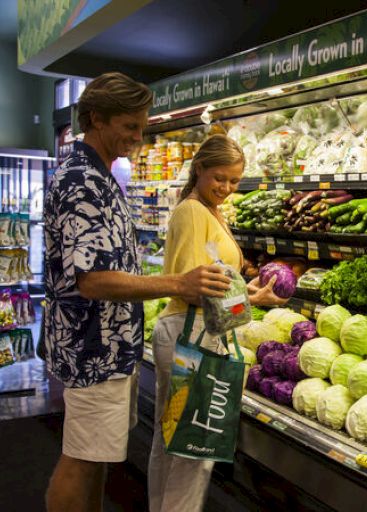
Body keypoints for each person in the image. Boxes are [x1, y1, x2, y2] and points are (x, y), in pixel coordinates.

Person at [42, 72, 233, 512]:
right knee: (80, 460)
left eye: (141, 127)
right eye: (129, 126)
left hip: (109, 348)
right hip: (93, 348)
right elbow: (91, 279)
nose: (137, 137)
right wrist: (178, 283)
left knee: (96, 458)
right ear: (96, 118)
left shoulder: (100, 176)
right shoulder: (80, 182)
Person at [147, 134, 286, 512]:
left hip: (185, 332)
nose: (226, 188)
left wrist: (250, 295)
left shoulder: (207, 210)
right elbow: (196, 288)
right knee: (194, 451)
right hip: (195, 337)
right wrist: (247, 301)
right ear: (200, 170)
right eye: (219, 178)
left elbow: (213, 283)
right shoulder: (194, 211)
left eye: (234, 181)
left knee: (171, 444)